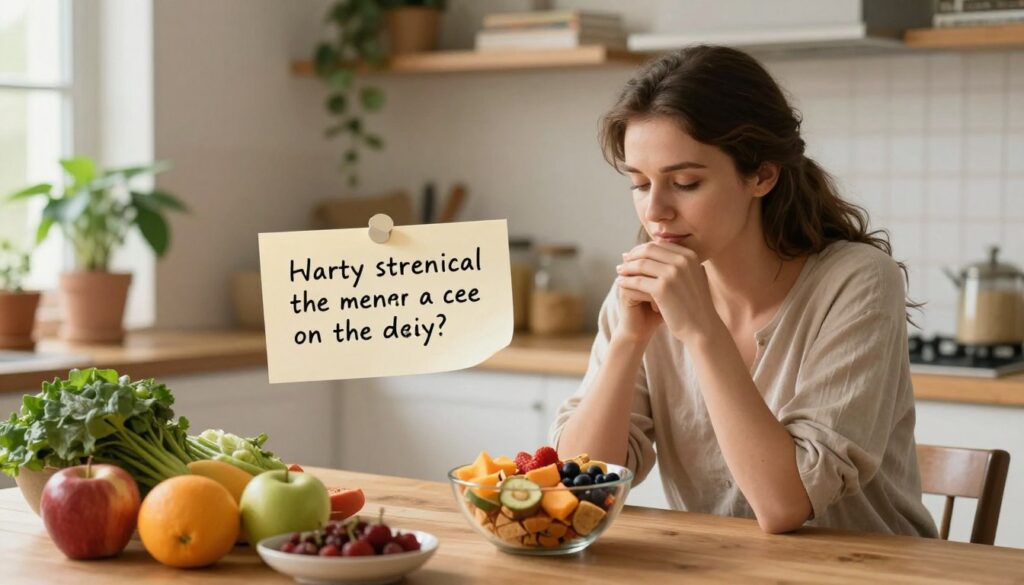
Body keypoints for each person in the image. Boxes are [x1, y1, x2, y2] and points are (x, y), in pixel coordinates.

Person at [551, 45, 938, 537]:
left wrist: (701, 331)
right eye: (640, 183)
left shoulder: (857, 281)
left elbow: (783, 507)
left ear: (762, 174)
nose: (655, 212)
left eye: (685, 182)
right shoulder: (644, 287)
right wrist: (629, 342)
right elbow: (576, 489)